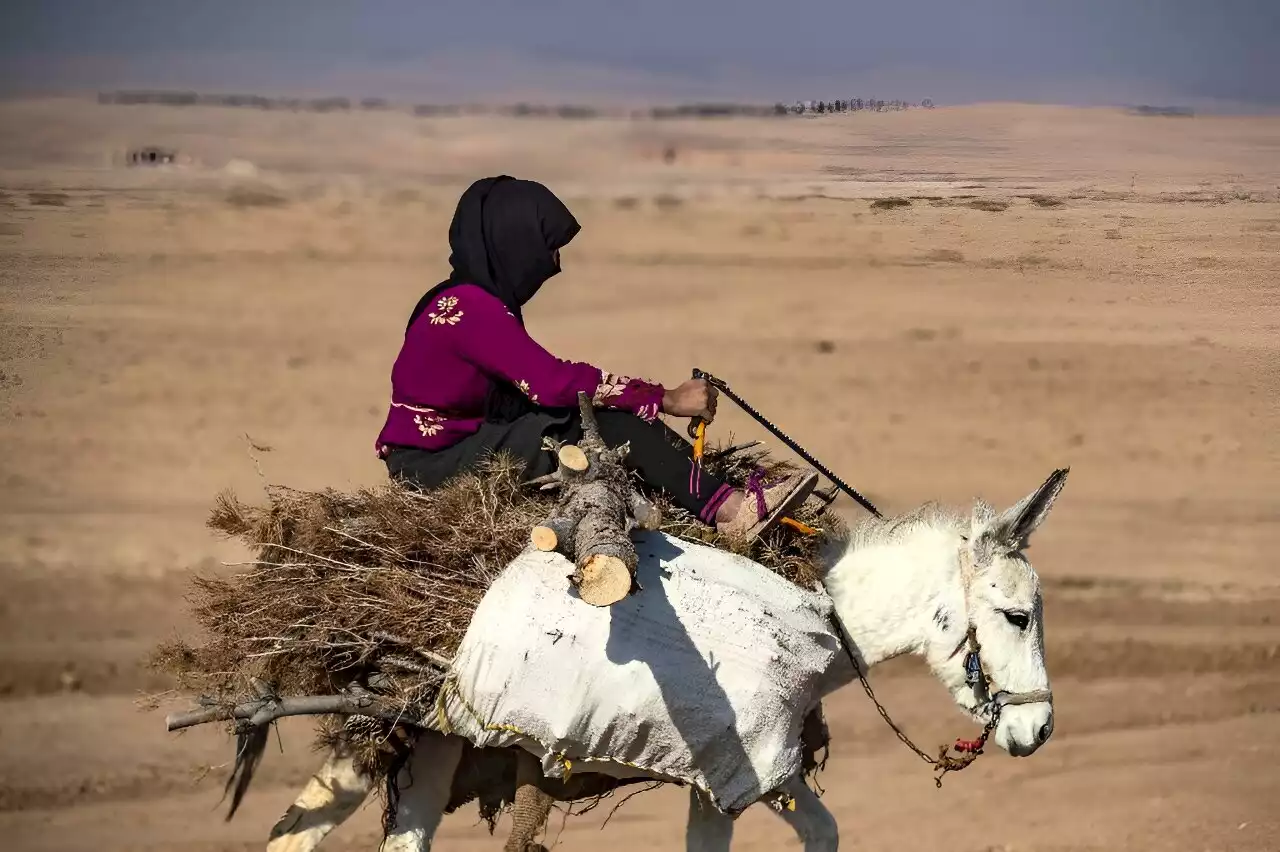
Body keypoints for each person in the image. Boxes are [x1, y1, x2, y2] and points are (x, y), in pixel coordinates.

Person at [374, 175, 818, 541]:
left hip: (445, 451)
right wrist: (664, 398)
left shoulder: (460, 299)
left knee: (587, 415)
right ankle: (731, 512)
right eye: (548, 247)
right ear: (515, 244)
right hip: (435, 466)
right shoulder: (473, 309)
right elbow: (549, 382)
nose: (555, 262)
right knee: (603, 423)